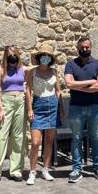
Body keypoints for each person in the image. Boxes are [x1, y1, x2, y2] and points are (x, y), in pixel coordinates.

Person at [0, 46, 27, 186]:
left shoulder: (23, 69)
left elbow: (32, 80)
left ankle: (16, 170)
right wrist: (0, 108)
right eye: (9, 54)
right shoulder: (1, 70)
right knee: (2, 136)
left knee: (18, 137)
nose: (12, 56)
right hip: (6, 102)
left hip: (21, 101)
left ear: (18, 55)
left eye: (14, 54)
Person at [64, 36, 98, 183]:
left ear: (91, 48)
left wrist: (79, 87)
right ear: (77, 48)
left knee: (96, 137)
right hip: (76, 107)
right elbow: (68, 84)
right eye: (82, 47)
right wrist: (90, 83)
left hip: (95, 107)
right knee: (76, 138)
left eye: (87, 47)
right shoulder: (70, 64)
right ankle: (76, 169)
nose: (84, 49)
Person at [25, 43, 64, 185]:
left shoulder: (54, 72)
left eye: (48, 56)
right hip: (38, 105)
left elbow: (58, 91)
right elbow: (28, 90)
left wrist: (61, 109)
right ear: (39, 57)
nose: (46, 58)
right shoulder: (32, 72)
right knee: (35, 142)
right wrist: (29, 109)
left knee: (49, 140)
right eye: (44, 55)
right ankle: (32, 171)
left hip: (53, 105)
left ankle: (45, 170)